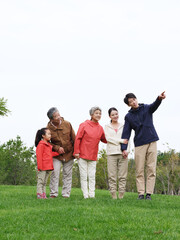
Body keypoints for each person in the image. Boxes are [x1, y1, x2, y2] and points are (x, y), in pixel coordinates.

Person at [121, 91, 166, 200]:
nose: (134, 102)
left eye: (134, 100)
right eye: (131, 102)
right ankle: (141, 194)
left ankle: (149, 194)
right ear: (128, 104)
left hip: (152, 140)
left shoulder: (146, 108)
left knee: (151, 168)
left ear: (136, 99)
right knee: (139, 169)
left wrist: (159, 99)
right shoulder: (128, 116)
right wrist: (123, 148)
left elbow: (154, 106)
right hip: (140, 144)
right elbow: (126, 133)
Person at [73, 106, 107, 199]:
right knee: (84, 176)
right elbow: (77, 139)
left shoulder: (100, 128)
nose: (99, 115)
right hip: (82, 154)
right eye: (96, 113)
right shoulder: (84, 125)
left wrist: (116, 139)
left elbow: (105, 139)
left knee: (92, 176)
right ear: (91, 115)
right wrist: (76, 152)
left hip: (93, 155)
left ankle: (92, 195)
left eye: (100, 113)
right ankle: (85, 195)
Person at [47, 107, 75, 198]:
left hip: (69, 153)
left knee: (67, 174)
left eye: (58, 114)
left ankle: (66, 194)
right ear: (51, 119)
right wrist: (56, 147)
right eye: (55, 116)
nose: (58, 117)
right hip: (56, 155)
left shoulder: (67, 124)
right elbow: (47, 142)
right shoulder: (48, 128)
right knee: (55, 173)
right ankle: (53, 194)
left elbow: (74, 138)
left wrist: (76, 151)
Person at [104, 107, 129, 199]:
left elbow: (127, 140)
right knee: (112, 176)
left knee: (122, 176)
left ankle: (121, 195)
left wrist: (126, 150)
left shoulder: (124, 126)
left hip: (122, 153)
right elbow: (108, 139)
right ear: (110, 116)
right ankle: (113, 195)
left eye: (116, 114)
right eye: (113, 115)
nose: (115, 116)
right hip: (111, 153)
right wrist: (121, 141)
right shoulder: (107, 126)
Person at [35, 128, 59, 199]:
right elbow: (39, 156)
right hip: (42, 167)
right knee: (41, 181)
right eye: (48, 134)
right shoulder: (41, 145)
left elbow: (49, 154)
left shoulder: (48, 145)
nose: (50, 135)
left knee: (45, 182)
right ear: (43, 135)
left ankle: (43, 195)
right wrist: (40, 167)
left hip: (48, 167)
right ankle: (39, 195)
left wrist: (57, 153)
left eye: (50, 134)